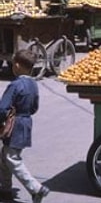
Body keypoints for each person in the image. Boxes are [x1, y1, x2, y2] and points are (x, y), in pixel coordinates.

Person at [0, 50, 50, 202]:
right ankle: (5, 189)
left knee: (11, 157)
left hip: (14, 126)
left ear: (16, 65)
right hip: (26, 123)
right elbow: (35, 108)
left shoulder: (15, 85)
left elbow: (2, 108)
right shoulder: (33, 84)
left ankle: (36, 188)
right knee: (4, 158)